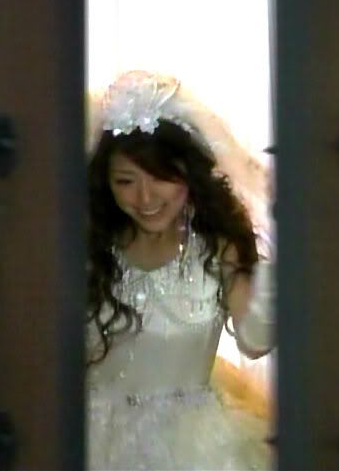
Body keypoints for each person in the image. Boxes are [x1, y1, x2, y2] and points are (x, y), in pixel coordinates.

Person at [86, 70, 274, 470]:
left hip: (195, 449)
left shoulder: (219, 244)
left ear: (189, 173)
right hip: (90, 440)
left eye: (161, 178)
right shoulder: (91, 247)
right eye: (126, 181)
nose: (145, 198)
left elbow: (256, 340)